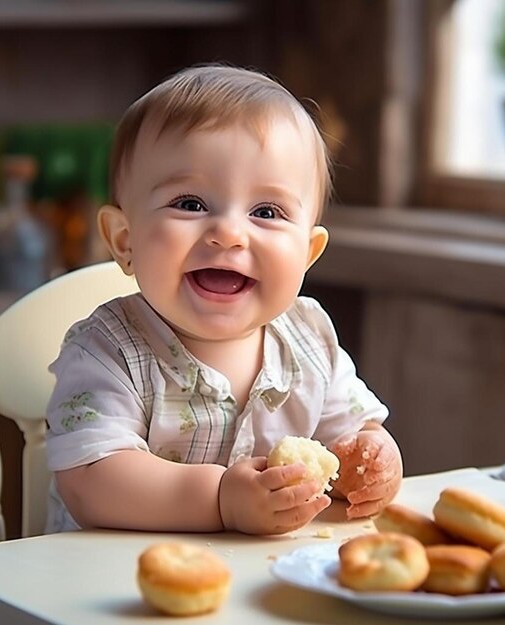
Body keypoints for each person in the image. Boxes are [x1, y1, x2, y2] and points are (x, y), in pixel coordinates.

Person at [45, 64, 402, 535]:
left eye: (266, 212)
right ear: (125, 240)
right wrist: (219, 499)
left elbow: (352, 435)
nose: (230, 233)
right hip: (110, 590)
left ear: (307, 254)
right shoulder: (106, 351)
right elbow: (91, 480)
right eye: (190, 203)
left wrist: (376, 460)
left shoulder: (309, 340)